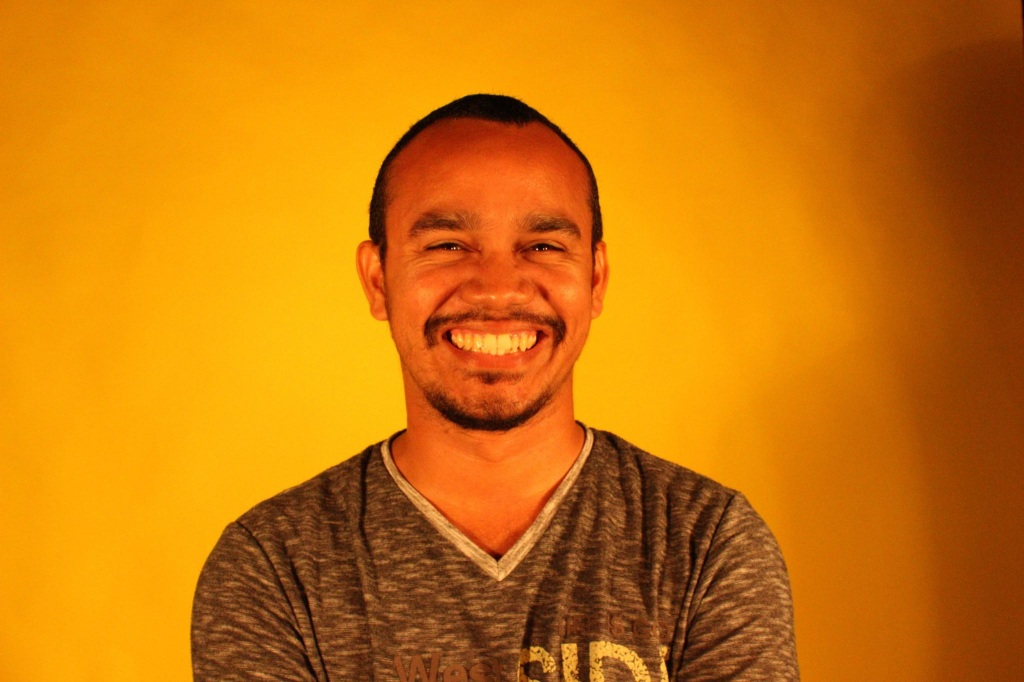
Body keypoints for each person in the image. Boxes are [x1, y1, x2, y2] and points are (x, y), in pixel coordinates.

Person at [191, 94, 799, 681]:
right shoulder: (273, 567)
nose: (498, 289)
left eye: (543, 246)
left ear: (595, 278)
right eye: (448, 246)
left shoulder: (706, 542)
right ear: (378, 281)